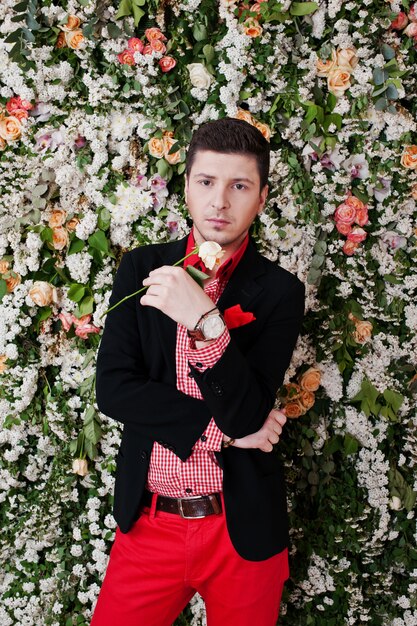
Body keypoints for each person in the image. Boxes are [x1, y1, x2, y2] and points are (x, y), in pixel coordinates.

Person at [91, 117, 305, 626]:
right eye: (206, 182)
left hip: (241, 528)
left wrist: (204, 320)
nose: (219, 203)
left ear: (261, 197)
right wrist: (224, 436)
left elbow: (249, 411)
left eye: (239, 186)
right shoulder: (142, 270)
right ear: (186, 185)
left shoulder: (280, 292)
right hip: (150, 523)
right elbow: (115, 390)